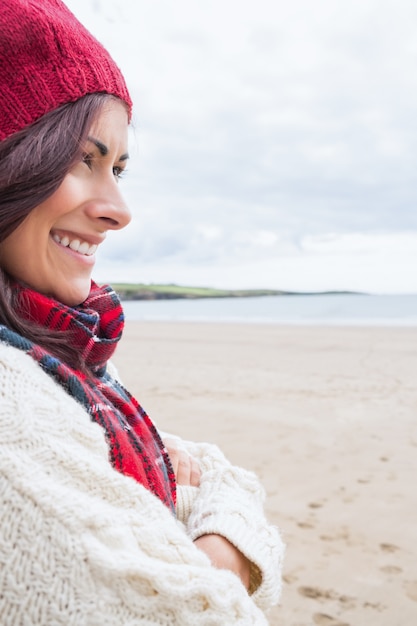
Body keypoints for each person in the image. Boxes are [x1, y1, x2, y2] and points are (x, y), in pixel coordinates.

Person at [0, 1, 285, 624]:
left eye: (119, 168)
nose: (118, 209)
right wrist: (226, 543)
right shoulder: (11, 405)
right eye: (83, 159)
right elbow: (203, 612)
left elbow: (195, 460)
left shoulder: (61, 358)